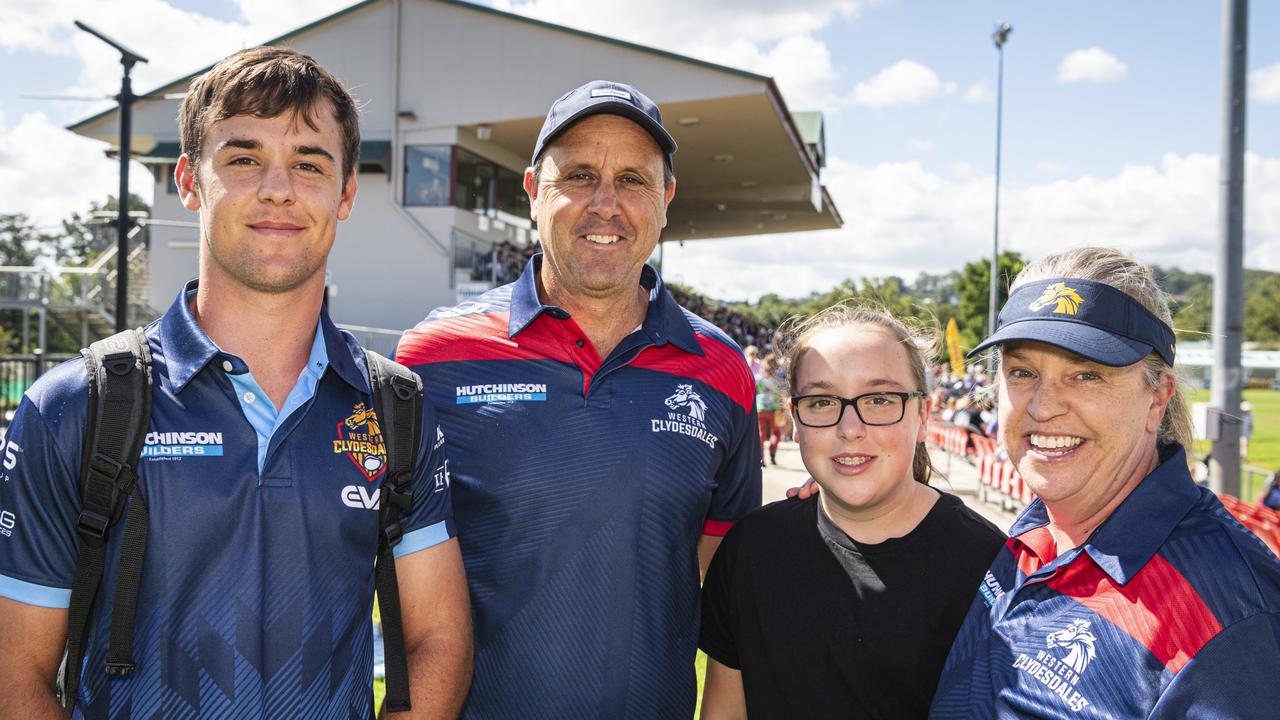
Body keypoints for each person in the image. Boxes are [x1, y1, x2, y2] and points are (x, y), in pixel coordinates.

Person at [0, 47, 472, 719]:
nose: (278, 188)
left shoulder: (394, 408)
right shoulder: (76, 406)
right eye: (244, 158)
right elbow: (16, 675)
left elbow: (436, 638)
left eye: (309, 163)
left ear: (345, 194)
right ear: (190, 180)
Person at [396, 80, 761, 718]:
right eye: (581, 176)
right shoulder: (431, 360)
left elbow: (728, 589)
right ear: (534, 191)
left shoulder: (723, 371)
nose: (606, 204)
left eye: (633, 180)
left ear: (666, 199)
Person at [930, 247, 1280, 719]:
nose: (1042, 406)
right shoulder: (1041, 526)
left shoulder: (1230, 615)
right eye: (1021, 372)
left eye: (1087, 374)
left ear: (1158, 397)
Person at [698, 302, 1005, 719]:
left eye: (879, 399)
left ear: (923, 415)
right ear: (794, 418)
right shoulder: (751, 552)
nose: (850, 428)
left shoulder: (989, 569)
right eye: (822, 402)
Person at [755, 352, 785, 465]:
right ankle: (772, 455)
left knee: (761, 435)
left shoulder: (758, 378)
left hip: (760, 408)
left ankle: (761, 459)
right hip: (774, 409)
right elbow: (781, 394)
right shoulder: (778, 380)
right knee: (776, 433)